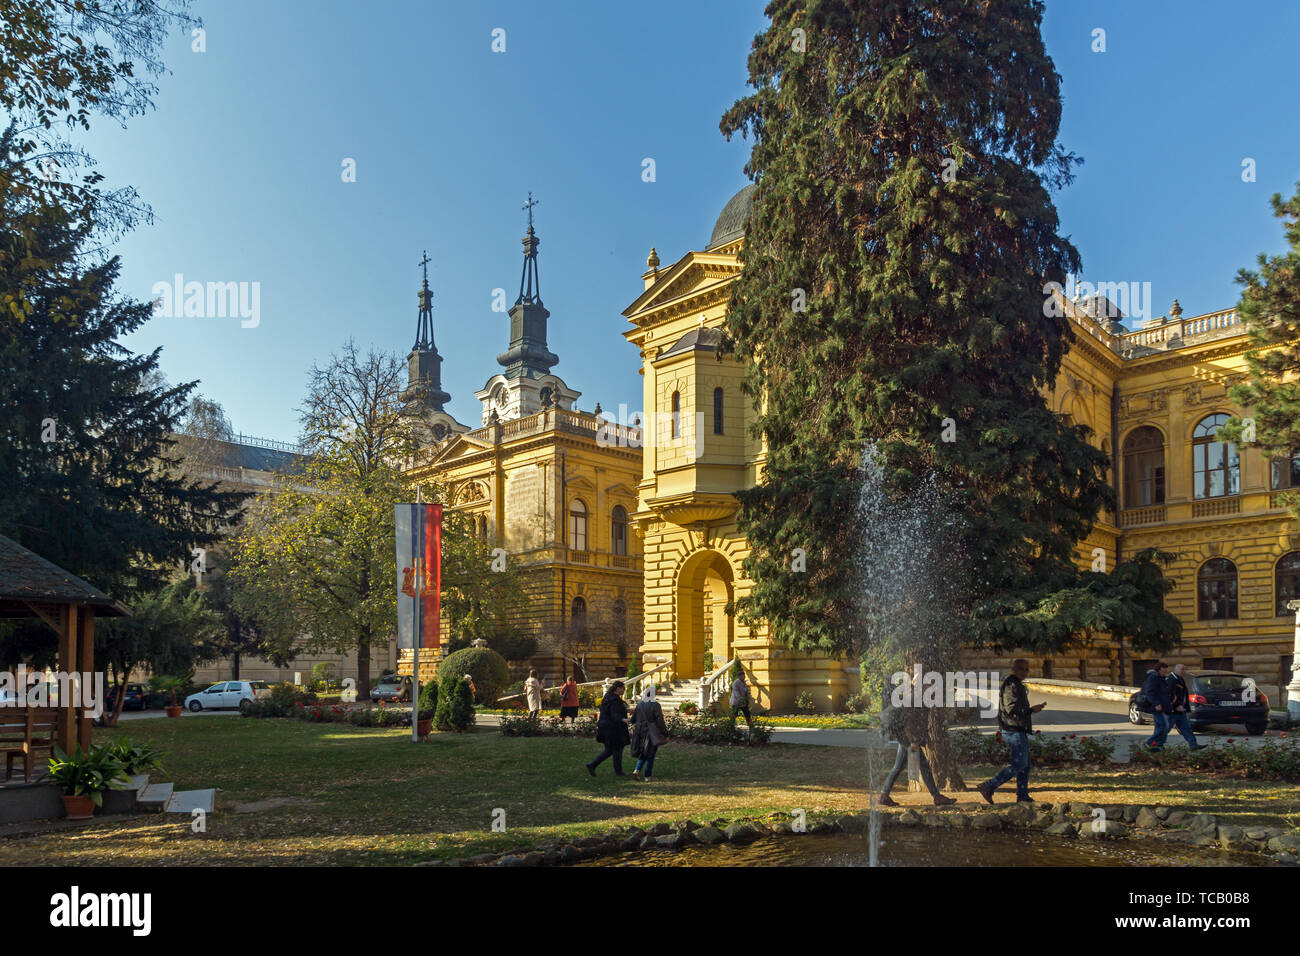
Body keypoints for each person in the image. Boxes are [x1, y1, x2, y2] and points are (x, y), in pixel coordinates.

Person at [976, 659, 1046, 804]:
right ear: (1014, 669)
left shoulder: (1017, 684)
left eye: (1027, 669)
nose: (1024, 672)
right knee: (1019, 764)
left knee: (1025, 765)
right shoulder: (1011, 684)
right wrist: (1031, 710)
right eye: (1021, 669)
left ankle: (1022, 796)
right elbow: (1010, 709)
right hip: (1012, 729)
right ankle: (988, 786)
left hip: (1018, 729)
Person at [878, 697, 956, 807]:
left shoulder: (921, 696)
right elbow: (910, 721)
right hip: (907, 737)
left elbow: (921, 722)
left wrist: (927, 740)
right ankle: (937, 797)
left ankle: (884, 795)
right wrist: (913, 741)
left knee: (898, 766)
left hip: (903, 735)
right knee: (923, 765)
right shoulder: (917, 697)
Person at [586, 680, 629, 777]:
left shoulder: (607, 698)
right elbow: (614, 714)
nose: (624, 690)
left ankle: (592, 765)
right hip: (613, 729)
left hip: (606, 727)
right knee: (617, 749)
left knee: (609, 750)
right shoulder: (615, 700)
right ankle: (618, 771)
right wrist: (623, 719)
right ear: (618, 688)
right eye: (623, 688)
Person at [630, 685, 670, 781]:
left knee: (644, 752)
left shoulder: (639, 704)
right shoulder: (655, 705)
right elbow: (660, 721)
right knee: (650, 753)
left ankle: (637, 770)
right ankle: (647, 776)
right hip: (651, 732)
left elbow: (633, 719)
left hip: (639, 731)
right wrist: (665, 733)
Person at [1166, 663, 1205, 750]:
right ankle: (1156, 744)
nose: (1184, 671)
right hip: (1173, 710)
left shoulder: (1180, 679)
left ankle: (1193, 744)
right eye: (1182, 669)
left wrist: (1184, 706)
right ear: (1176, 670)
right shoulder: (1171, 679)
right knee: (1165, 729)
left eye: (1184, 669)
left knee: (1186, 728)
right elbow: (1169, 695)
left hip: (1180, 710)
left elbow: (1182, 694)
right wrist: (1175, 706)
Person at [1141, 661, 1172, 750]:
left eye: (1166, 668)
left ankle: (1158, 745)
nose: (1166, 670)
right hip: (1156, 707)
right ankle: (1150, 742)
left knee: (1160, 726)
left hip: (1161, 706)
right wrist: (1156, 704)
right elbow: (1150, 692)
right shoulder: (1153, 677)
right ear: (1159, 669)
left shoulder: (1161, 678)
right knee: (1163, 726)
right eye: (1164, 668)